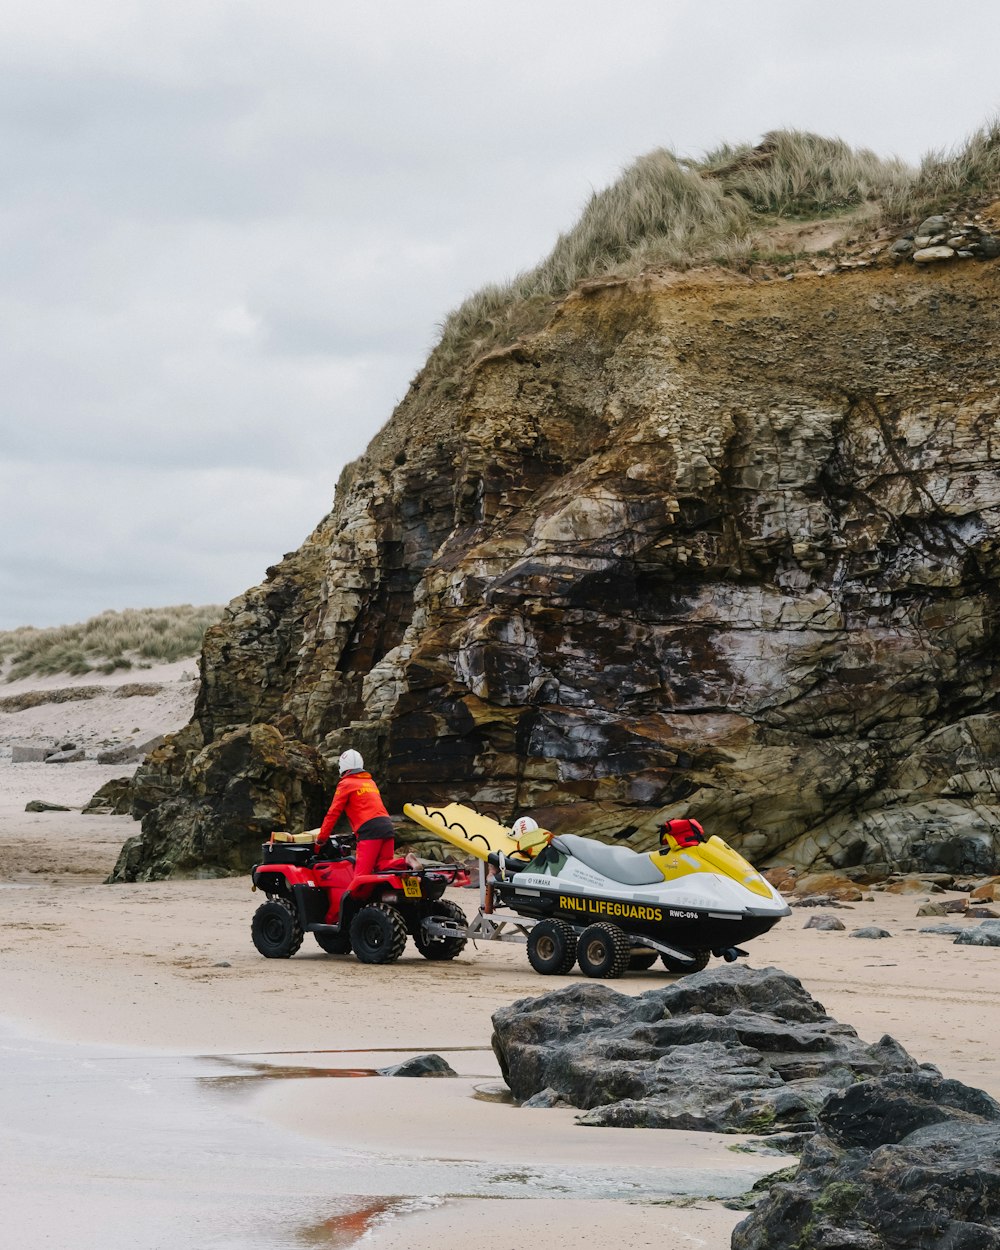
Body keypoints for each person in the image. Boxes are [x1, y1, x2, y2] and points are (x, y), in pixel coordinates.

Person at [317, 749, 419, 875]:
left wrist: (321, 838)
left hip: (370, 830)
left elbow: (333, 812)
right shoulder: (370, 783)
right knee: (382, 867)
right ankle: (406, 861)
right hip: (387, 826)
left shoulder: (346, 783)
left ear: (342, 767)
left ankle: (355, 895)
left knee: (361, 877)